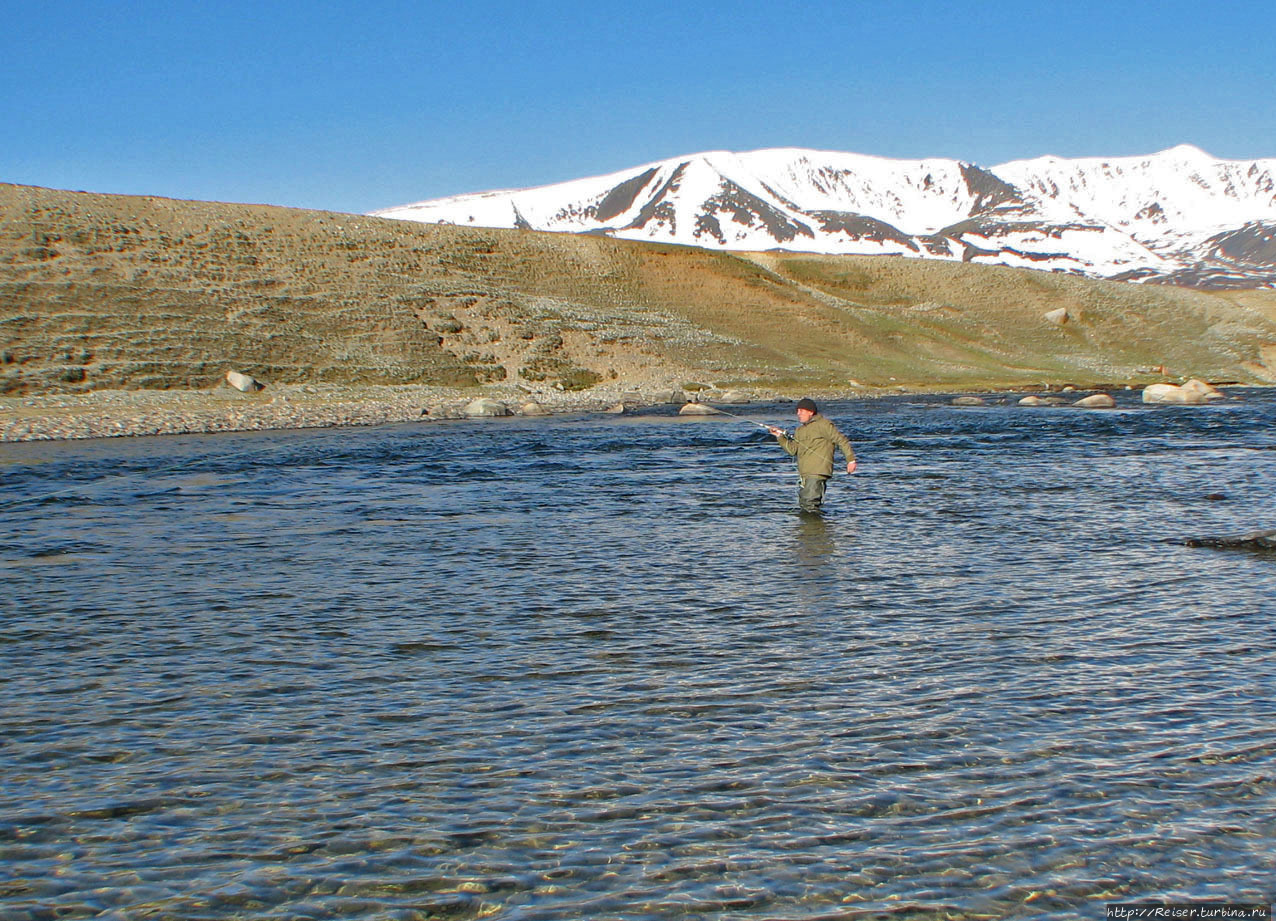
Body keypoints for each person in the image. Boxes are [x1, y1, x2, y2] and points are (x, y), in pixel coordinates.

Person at [767, 398, 857, 512]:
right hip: (805, 475)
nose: (798, 414)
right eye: (797, 411)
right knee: (805, 505)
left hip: (817, 473)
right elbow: (792, 450)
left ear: (811, 412)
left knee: (810, 505)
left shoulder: (824, 425)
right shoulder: (799, 430)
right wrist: (779, 436)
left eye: (802, 411)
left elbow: (842, 441)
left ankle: (816, 529)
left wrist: (851, 460)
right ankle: (813, 529)